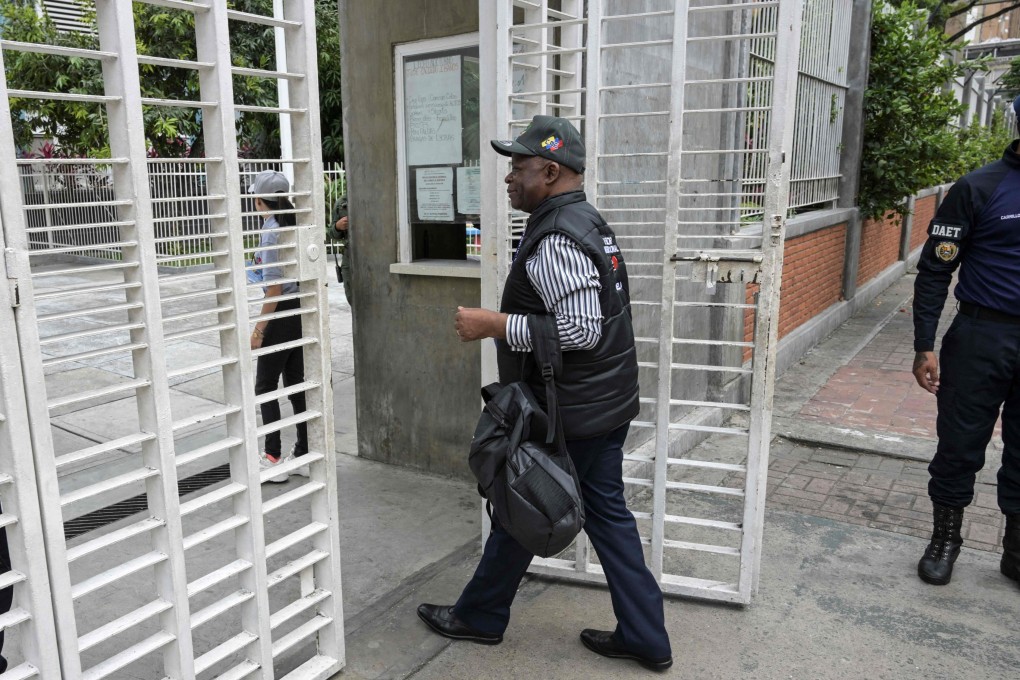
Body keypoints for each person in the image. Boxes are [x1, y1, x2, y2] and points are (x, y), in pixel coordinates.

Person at [416, 115, 673, 671]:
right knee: (566, 508)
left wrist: (493, 323)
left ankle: (481, 617)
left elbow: (582, 329)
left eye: (518, 167)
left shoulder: (558, 236)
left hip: (574, 410)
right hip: (599, 402)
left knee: (531, 503)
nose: (509, 177)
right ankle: (642, 635)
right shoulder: (583, 222)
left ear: (551, 171)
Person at [911, 96, 1020, 588]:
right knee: (959, 445)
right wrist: (924, 343)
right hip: (982, 335)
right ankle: (945, 541)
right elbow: (935, 269)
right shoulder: (980, 186)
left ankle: (1015, 551)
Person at [248, 170, 309, 482]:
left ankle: (272, 458)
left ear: (260, 200)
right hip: (300, 309)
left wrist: (259, 330)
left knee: (265, 386)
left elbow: (274, 289)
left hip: (282, 310)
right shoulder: (294, 222)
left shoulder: (272, 230)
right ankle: (304, 452)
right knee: (296, 383)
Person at [325, 194, 353, 307]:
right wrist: (337, 226)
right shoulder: (342, 203)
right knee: (353, 298)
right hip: (350, 258)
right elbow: (331, 234)